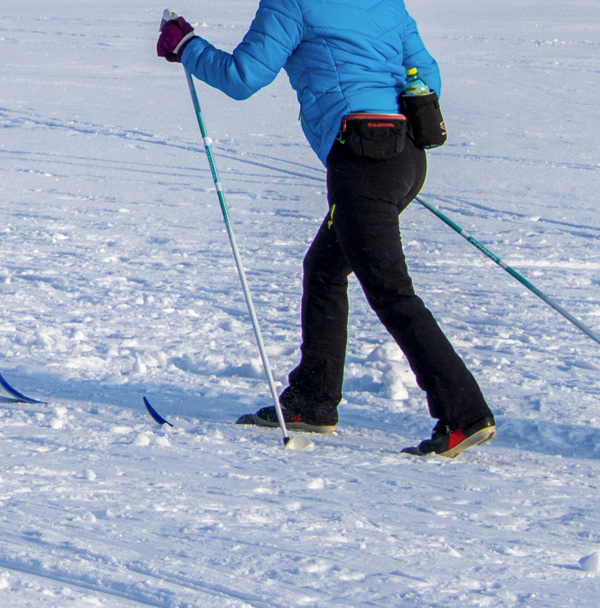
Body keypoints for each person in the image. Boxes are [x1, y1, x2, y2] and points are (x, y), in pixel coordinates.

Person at [157, 1, 495, 458]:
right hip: (406, 154)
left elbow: (243, 78)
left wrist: (187, 46)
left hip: (363, 156)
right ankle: (312, 400)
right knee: (324, 268)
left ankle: (464, 414)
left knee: (390, 289)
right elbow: (427, 75)